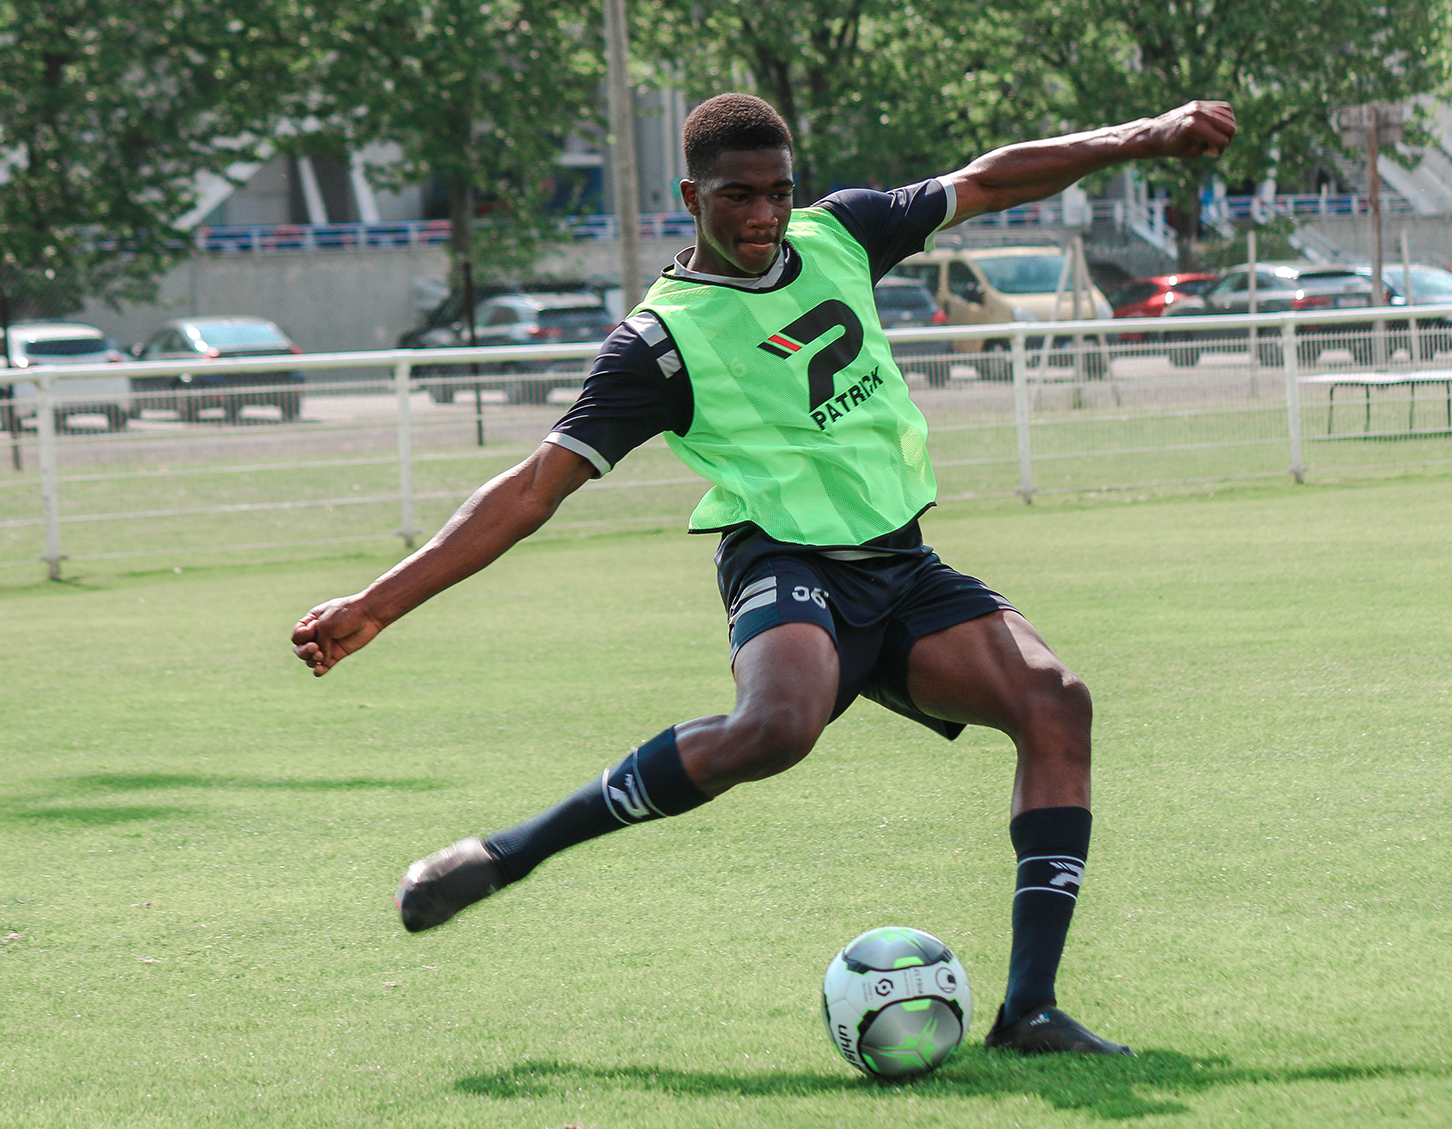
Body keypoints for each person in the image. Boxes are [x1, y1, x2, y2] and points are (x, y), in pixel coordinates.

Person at [292, 93, 1235, 1056]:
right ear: (690, 195)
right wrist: (377, 604)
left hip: (901, 564)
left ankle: (1028, 1012)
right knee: (777, 729)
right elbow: (534, 489)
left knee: (1055, 701)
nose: (762, 217)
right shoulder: (660, 342)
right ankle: (508, 854)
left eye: (778, 193)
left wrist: (1144, 135)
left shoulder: (843, 233)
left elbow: (990, 178)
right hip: (783, 559)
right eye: (739, 197)